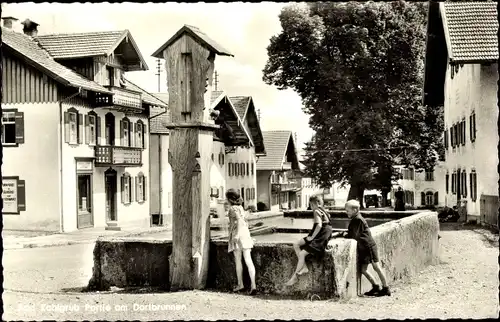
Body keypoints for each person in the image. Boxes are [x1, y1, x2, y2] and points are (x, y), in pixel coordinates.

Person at [342, 199, 391, 296]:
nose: (346, 212)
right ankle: (376, 286)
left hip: (368, 246)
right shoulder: (356, 219)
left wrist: (344, 235)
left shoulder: (358, 220)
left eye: (347, 210)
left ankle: (386, 288)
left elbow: (354, 235)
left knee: (376, 266)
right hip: (363, 247)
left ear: (355, 210)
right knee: (363, 270)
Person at [285, 195, 333, 286]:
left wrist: (312, 237)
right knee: (296, 244)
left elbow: (319, 225)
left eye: (311, 204)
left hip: (320, 235)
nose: (311, 207)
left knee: (302, 253)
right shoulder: (325, 211)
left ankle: (294, 277)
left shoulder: (316, 211)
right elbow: (328, 226)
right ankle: (304, 267)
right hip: (322, 233)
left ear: (315, 204)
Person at [226, 188, 257, 295]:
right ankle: (253, 285)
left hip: (237, 235)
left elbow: (239, 220)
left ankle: (240, 285)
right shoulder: (241, 208)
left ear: (229, 199)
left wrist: (237, 235)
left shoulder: (233, 209)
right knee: (249, 261)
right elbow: (244, 221)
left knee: (238, 261)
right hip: (246, 234)